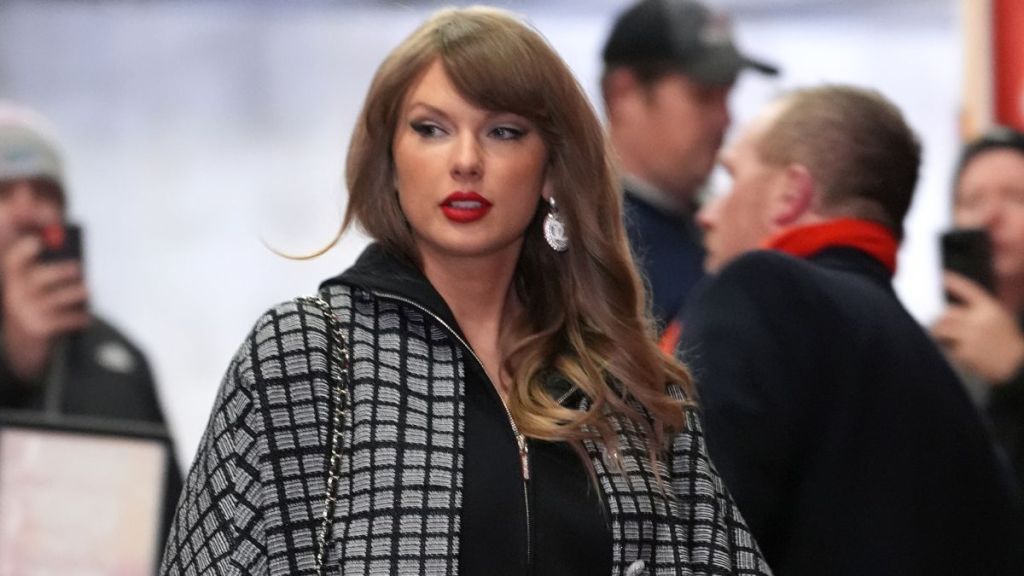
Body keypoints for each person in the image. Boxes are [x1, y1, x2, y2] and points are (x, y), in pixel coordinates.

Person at [159, 7, 772, 576]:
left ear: (553, 167)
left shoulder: (625, 383)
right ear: (389, 161)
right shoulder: (304, 358)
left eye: (504, 131)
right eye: (431, 129)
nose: (466, 160)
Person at [680, 86, 1021, 574]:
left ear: (790, 195)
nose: (707, 214)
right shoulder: (942, 382)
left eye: (732, 177)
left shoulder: (762, 292)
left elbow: (700, 545)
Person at [0, 102, 182, 546]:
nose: (28, 212)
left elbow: (178, 528)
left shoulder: (121, 359)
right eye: (4, 193)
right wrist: (16, 364)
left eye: (45, 193)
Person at [600, 0, 777, 331]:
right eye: (704, 96)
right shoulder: (585, 240)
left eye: (728, 96)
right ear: (623, 93)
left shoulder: (719, 228)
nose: (726, 119)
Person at [933, 125, 1024, 494]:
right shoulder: (925, 350)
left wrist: (1016, 375)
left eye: (1015, 197)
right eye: (972, 202)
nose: (990, 216)